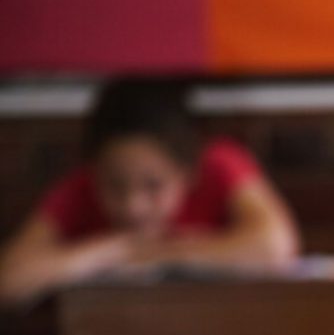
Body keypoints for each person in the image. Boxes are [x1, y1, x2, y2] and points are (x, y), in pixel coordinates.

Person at [0, 79, 300, 303]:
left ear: (188, 173)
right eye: (115, 186)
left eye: (153, 186)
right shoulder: (81, 187)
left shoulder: (218, 163)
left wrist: (158, 252)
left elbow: (275, 247)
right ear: (95, 171)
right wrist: (108, 252)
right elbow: (9, 280)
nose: (134, 207)